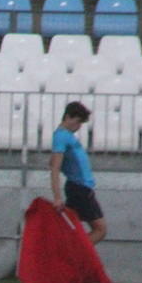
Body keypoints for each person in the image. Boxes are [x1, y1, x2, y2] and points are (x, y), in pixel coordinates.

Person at [49, 101, 106, 245]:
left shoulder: (65, 135)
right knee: (100, 230)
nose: (79, 126)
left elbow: (53, 162)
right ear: (68, 117)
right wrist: (57, 197)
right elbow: (54, 168)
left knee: (72, 230)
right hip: (79, 188)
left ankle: (68, 254)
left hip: (80, 187)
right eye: (78, 121)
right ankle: (72, 254)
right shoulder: (61, 136)